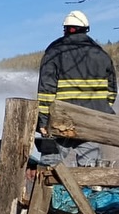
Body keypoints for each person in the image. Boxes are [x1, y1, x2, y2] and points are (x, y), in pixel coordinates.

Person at [37, 10, 117, 167]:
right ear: (86, 29)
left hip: (61, 121)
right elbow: (112, 92)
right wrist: (100, 111)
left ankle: (49, 191)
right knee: (89, 169)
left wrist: (44, 121)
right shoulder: (102, 55)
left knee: (50, 169)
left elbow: (46, 92)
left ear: (65, 29)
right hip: (92, 121)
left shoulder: (53, 53)